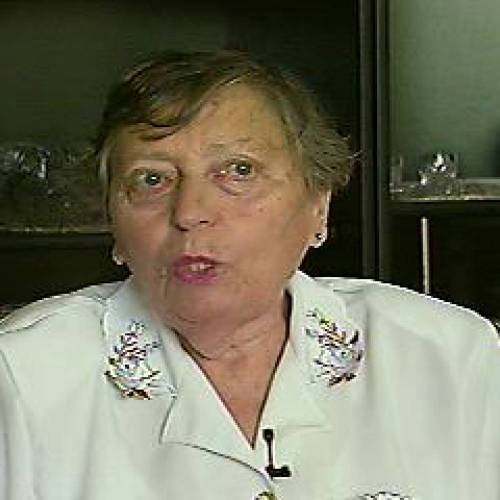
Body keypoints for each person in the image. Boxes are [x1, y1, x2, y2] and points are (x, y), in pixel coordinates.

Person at [0, 50, 498, 500]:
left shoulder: (448, 358)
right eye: (152, 180)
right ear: (114, 223)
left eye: (238, 171)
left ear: (318, 205)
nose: (190, 212)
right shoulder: (24, 375)